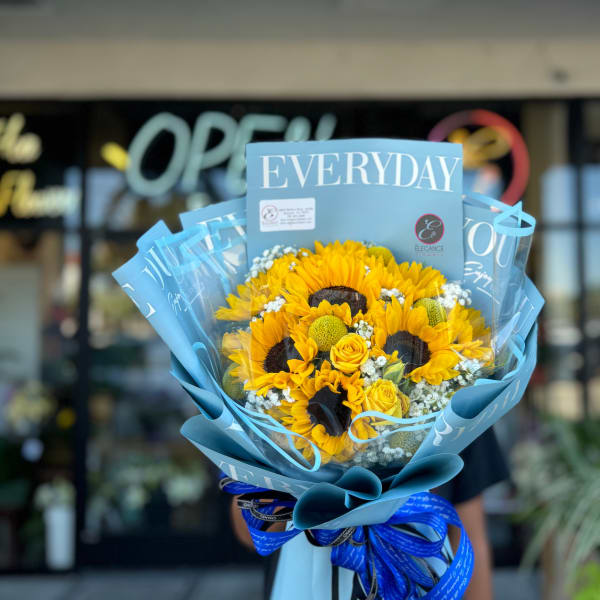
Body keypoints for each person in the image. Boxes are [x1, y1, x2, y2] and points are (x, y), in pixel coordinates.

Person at [230, 427, 509, 600]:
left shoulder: (456, 384)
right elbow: (248, 534)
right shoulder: (271, 389)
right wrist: (292, 463)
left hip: (417, 584)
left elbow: (471, 536)